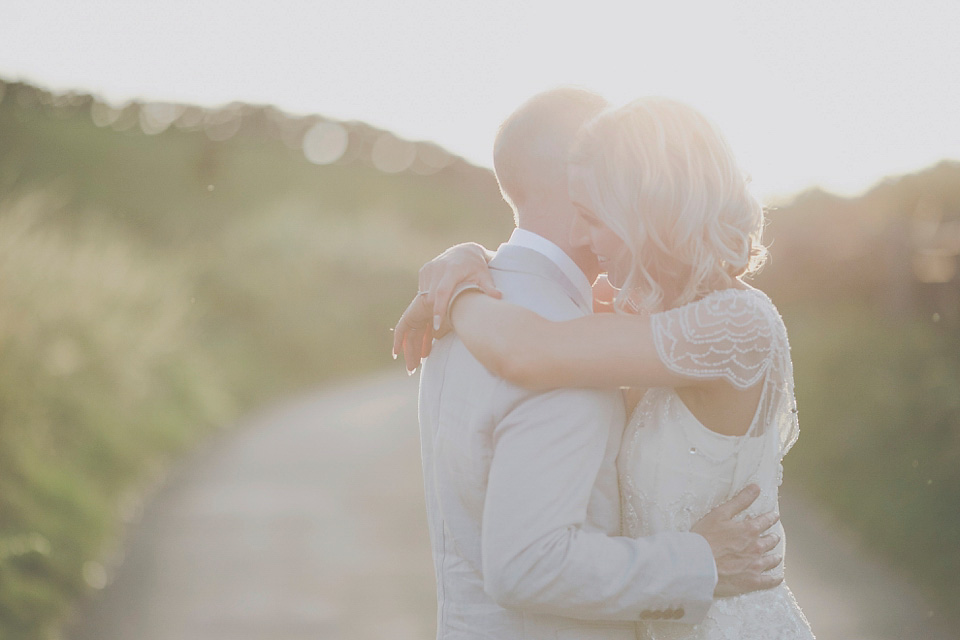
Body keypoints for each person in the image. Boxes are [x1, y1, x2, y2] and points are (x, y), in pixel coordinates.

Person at [395, 89, 786, 640]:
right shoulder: (621, 312)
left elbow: (525, 353)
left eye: (595, 213)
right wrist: (468, 262)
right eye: (581, 212)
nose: (587, 234)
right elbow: (531, 562)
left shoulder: (729, 325)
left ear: (648, 201)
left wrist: (458, 293)